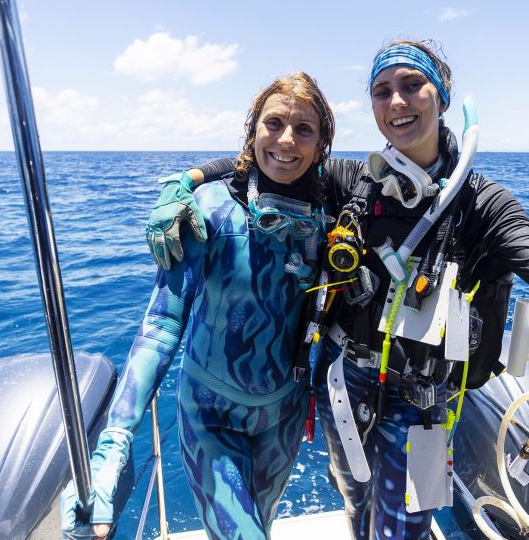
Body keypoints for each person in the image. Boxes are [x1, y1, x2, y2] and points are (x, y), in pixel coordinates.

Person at [146, 40, 529, 539]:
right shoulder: (352, 181)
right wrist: (187, 180)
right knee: (356, 506)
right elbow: (272, 159)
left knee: (403, 530)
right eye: (383, 91)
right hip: (342, 389)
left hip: (424, 408)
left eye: (413, 86)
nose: (397, 102)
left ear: (443, 97)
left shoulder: (483, 205)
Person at [60, 72, 343, 539]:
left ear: (321, 145)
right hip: (210, 413)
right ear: (253, 131)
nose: (286, 140)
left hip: (285, 415)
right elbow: (161, 325)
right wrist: (114, 443)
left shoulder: (330, 216)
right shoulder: (206, 209)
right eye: (274, 123)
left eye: (304, 129)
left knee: (260, 525)